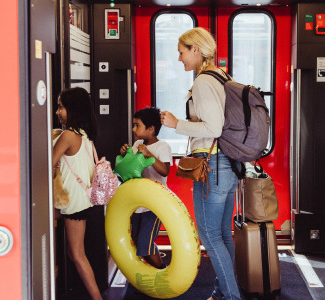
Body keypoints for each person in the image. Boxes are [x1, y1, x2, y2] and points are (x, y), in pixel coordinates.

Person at [160, 27, 242, 300]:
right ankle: (222, 292)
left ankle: (231, 297)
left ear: (195, 49)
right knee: (222, 234)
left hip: (212, 165)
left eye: (182, 52)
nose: (180, 59)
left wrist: (176, 124)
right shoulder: (222, 76)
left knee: (209, 235)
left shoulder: (203, 83)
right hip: (227, 164)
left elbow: (214, 127)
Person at [52, 87, 102, 300]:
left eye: (60, 107)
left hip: (72, 202)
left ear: (72, 109)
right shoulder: (84, 135)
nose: (57, 112)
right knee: (75, 254)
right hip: (79, 200)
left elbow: (49, 163)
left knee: (77, 255)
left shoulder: (68, 135)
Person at [119, 107, 172, 270]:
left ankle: (162, 271)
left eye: (137, 125)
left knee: (145, 244)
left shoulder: (162, 146)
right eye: (134, 125)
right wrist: (124, 155)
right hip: (138, 203)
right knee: (137, 241)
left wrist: (149, 154)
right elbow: (131, 169)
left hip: (154, 204)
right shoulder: (136, 144)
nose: (134, 129)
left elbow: (164, 171)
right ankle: (151, 277)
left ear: (151, 129)